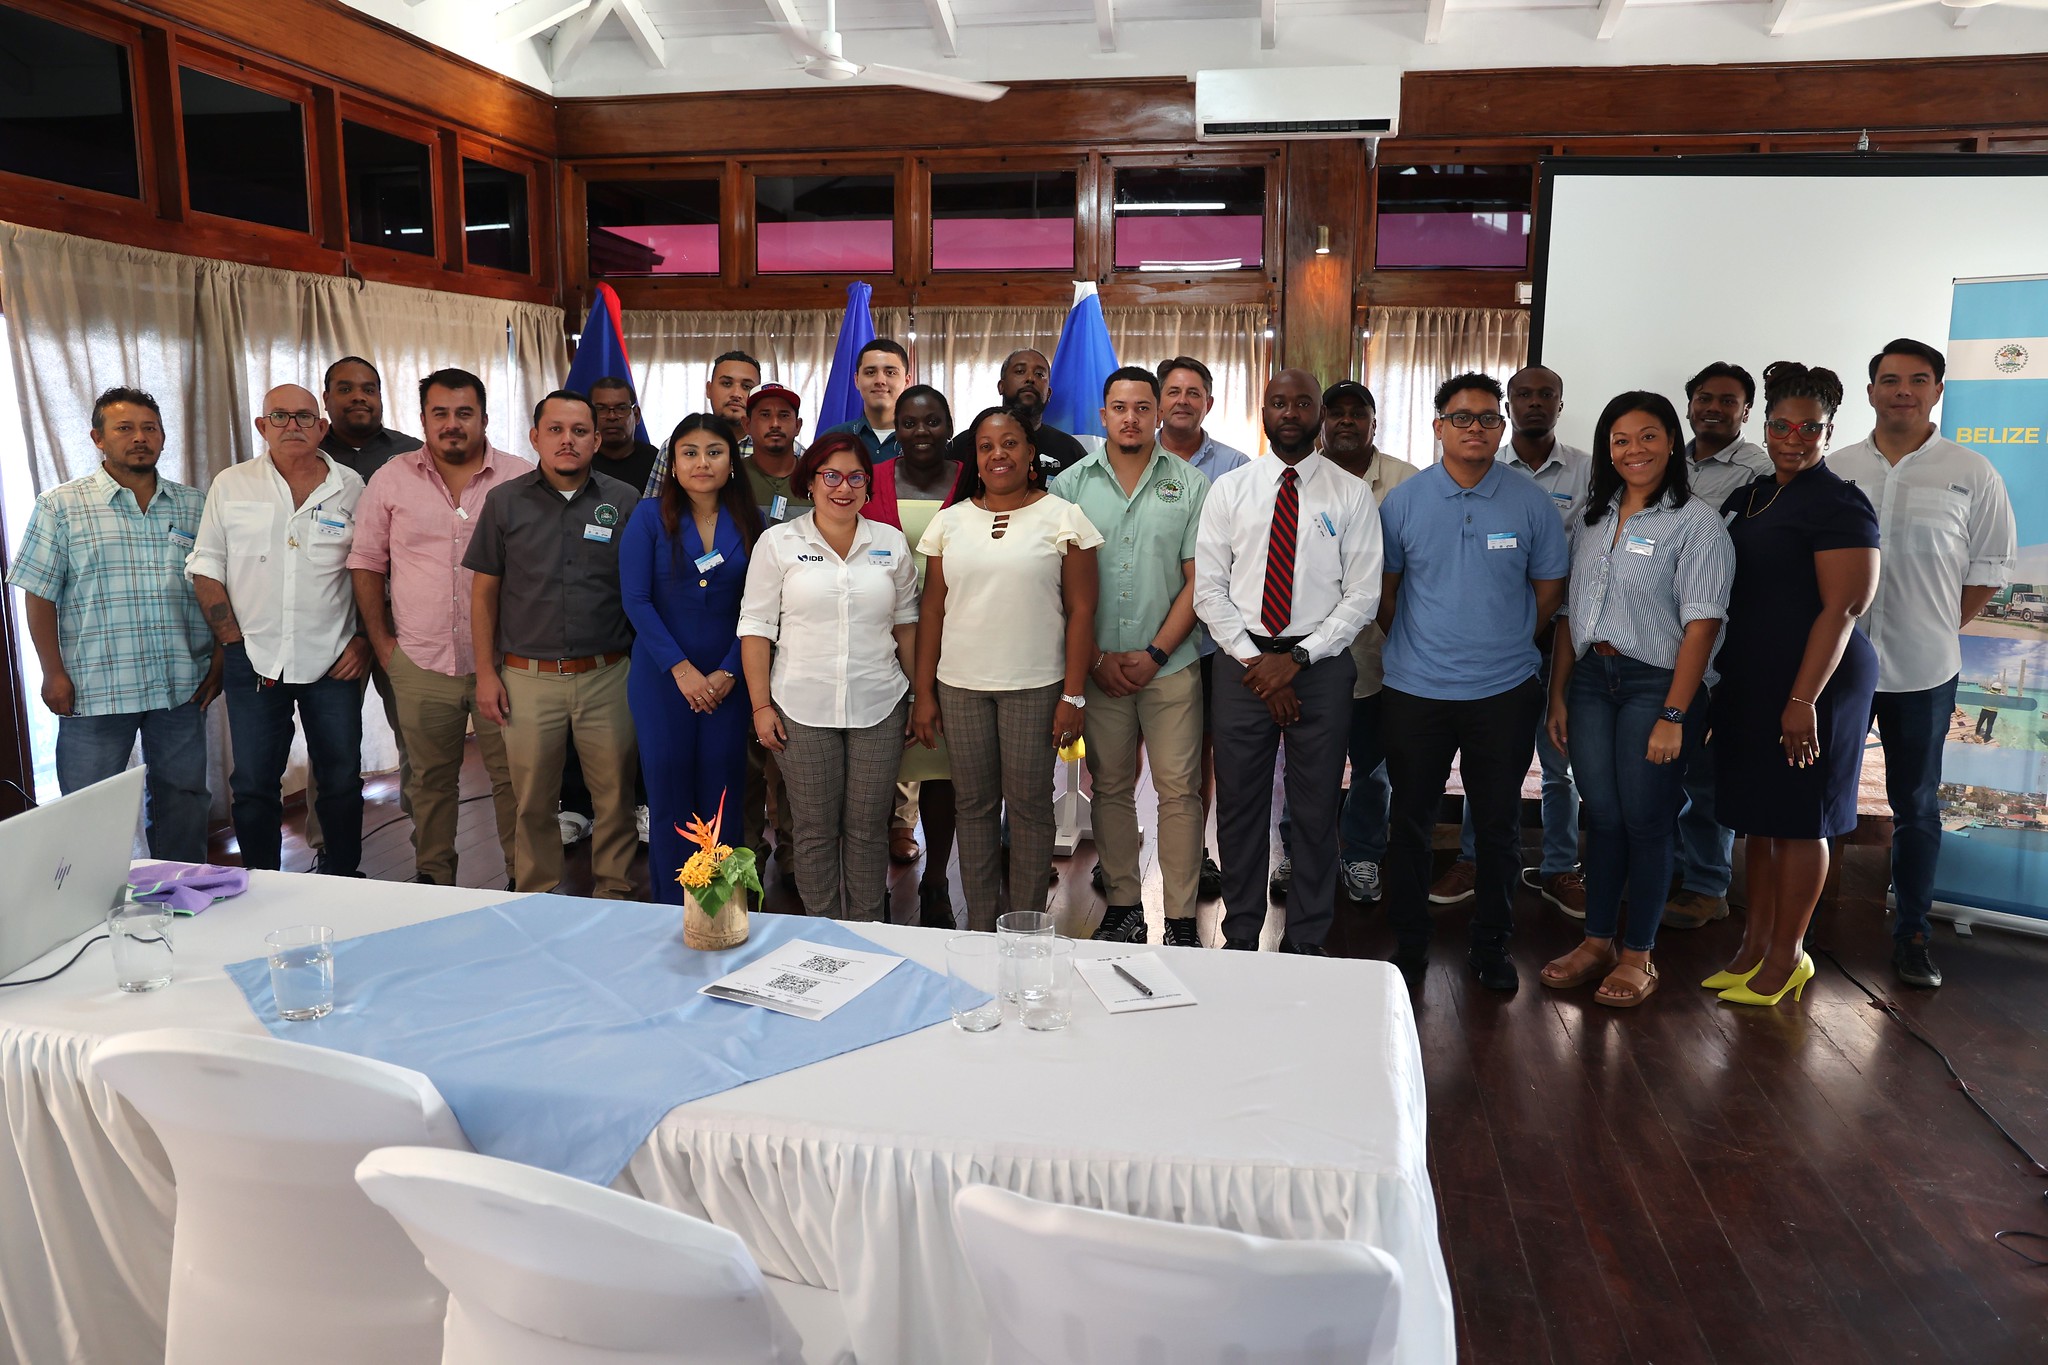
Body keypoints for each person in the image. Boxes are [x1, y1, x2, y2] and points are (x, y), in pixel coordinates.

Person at [1538, 392, 1733, 1007]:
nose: (1634, 450)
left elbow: (1703, 623)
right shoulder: (1593, 518)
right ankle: (1596, 942)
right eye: (1620, 440)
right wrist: (1560, 694)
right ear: (1607, 451)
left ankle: (1638, 955)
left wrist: (1675, 713)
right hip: (1594, 682)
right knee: (1606, 815)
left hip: (1658, 684)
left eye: (1647, 436)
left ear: (1671, 442)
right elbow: (1569, 613)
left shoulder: (1696, 521)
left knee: (1648, 820)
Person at [1832, 338, 2016, 989]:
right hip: (1839, 666)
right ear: (1871, 390)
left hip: (1924, 669)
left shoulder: (1973, 472)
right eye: (1889, 379)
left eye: (1917, 379)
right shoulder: (1837, 467)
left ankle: (1911, 931)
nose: (1902, 390)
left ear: (1938, 390)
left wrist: (1933, 623)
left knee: (1915, 805)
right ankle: (1799, 926)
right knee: (1819, 799)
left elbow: (1988, 571)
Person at [1378, 373, 1568, 992]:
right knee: (1409, 821)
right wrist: (1426, 641)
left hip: (1503, 691)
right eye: (1462, 418)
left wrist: (1504, 639)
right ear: (1439, 427)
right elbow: (1387, 593)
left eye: (1490, 419)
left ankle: (1491, 946)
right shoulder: (1404, 502)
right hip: (1416, 689)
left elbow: (1547, 592)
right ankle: (1408, 944)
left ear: (1502, 427)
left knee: (1498, 825)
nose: (1477, 429)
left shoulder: (1530, 502)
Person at [1706, 361, 1880, 1008]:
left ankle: (1789, 955)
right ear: (1765, 424)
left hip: (1818, 679)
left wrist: (1803, 698)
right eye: (1781, 424)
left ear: (1830, 431)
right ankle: (1753, 946)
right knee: (1760, 817)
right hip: (1753, 671)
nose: (1793, 437)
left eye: (1810, 428)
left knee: (1802, 820)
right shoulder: (1752, 494)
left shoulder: (1838, 502)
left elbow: (1844, 608)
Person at [1195, 369, 1381, 955]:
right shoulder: (1231, 488)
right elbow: (1209, 591)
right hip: (1241, 662)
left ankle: (1306, 940)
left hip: (1320, 667)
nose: (1291, 412)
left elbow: (1363, 595)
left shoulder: (1350, 493)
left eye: (1304, 403)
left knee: (1316, 807)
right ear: (1264, 412)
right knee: (1240, 806)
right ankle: (1242, 931)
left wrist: (1297, 659)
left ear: (1319, 413)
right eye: (1280, 402)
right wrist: (1259, 663)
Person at [8, 386, 219, 861]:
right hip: (95, 687)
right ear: (98, 438)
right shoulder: (61, 506)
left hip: (179, 683)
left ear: (163, 438)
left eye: (150, 428)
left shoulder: (195, 505)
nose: (139, 438)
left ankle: (181, 894)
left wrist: (221, 656)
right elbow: (39, 593)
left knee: (184, 800)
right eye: (125, 428)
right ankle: (92, 909)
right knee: (89, 809)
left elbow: (220, 583)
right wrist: (53, 673)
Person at [914, 408, 1101, 931]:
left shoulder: (1064, 517)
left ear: (1029, 452)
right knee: (972, 807)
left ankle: (1025, 926)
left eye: (1011, 443)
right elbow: (932, 609)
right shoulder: (949, 522)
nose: (998, 454)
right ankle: (978, 924)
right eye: (986, 445)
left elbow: (1083, 610)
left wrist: (1074, 695)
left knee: (1029, 808)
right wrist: (924, 693)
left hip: (1036, 687)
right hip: (961, 687)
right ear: (974, 456)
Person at [1053, 367, 1210, 947]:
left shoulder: (1191, 485)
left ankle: (1182, 917)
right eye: (1119, 407)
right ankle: (1123, 905)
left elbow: (1199, 581)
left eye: (1143, 407)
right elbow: (1059, 584)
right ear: (1103, 416)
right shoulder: (1070, 486)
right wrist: (1094, 658)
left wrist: (1153, 652)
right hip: (1098, 669)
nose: (1131, 418)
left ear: (1158, 414)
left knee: (1179, 789)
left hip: (1169, 666)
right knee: (1112, 786)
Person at [346, 367, 521, 888]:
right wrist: (383, 645)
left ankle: (525, 884)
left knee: (515, 779)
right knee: (429, 782)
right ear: (422, 419)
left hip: (504, 665)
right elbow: (366, 562)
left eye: (464, 413)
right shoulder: (392, 477)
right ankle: (433, 882)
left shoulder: (518, 477)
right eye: (440, 413)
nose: (452, 424)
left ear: (484, 420)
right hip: (420, 661)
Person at [187, 384, 368, 875]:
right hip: (253, 659)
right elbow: (206, 567)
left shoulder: (353, 487)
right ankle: (261, 883)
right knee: (252, 782)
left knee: (341, 777)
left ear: (323, 427)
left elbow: (374, 571)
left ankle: (344, 876)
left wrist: (364, 640)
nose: (293, 426)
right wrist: (232, 642)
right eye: (281, 416)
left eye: (305, 417)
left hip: (334, 656)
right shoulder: (231, 484)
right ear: (261, 426)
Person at [466, 391, 641, 899]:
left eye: (580, 430)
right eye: (557, 430)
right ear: (535, 437)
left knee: (614, 797)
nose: (569, 440)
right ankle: (538, 896)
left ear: (597, 438)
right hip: (527, 677)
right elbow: (484, 594)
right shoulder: (504, 501)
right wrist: (485, 672)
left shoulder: (624, 501)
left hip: (608, 674)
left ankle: (615, 894)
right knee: (533, 802)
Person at [739, 433, 919, 921]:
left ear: (868, 485)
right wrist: (760, 708)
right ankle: (823, 934)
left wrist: (918, 697)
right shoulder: (778, 543)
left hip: (880, 704)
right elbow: (755, 630)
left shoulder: (889, 542)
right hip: (800, 706)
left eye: (856, 477)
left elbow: (906, 625)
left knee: (866, 827)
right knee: (814, 829)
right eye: (831, 476)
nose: (844, 488)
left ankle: (867, 927)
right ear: (811, 481)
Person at [1431, 364, 1588, 918]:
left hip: (1566, 637)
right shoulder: (1481, 471)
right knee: (1489, 765)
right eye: (1523, 394)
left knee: (1560, 761)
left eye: (1547, 393)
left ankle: (1560, 867)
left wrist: (1532, 628)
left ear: (1560, 403)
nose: (1534, 403)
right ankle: (1473, 858)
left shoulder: (1590, 473)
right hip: (1496, 647)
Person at [1269, 380, 1415, 905]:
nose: (1348, 422)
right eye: (1338, 413)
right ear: (1323, 422)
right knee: (1303, 765)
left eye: (1360, 413)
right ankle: (1298, 854)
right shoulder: (1295, 480)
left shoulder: (1406, 481)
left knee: (1372, 770)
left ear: (1376, 422)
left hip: (1377, 657)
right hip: (1305, 661)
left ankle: (1362, 856)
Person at [622, 414, 764, 907]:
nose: (701, 462)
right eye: (689, 452)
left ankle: (722, 911)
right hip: (663, 678)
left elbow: (760, 605)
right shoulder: (647, 516)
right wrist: (682, 671)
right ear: (673, 462)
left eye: (714, 452)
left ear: (732, 461)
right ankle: (672, 909)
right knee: (669, 795)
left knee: (724, 793)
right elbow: (636, 600)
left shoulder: (751, 519)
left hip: (730, 676)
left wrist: (728, 671)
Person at [1665, 360, 1775, 931]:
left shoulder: (1762, 471)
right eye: (1704, 398)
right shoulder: (1665, 459)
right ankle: (1671, 872)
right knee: (1663, 769)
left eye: (1727, 401)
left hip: (1722, 640)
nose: (1713, 408)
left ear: (1746, 412)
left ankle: (1708, 884)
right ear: (1689, 404)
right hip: (1661, 636)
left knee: (1707, 772)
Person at [864, 384, 965, 926]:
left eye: (931, 422)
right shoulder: (871, 479)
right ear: (894, 429)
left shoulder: (970, 480)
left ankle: (935, 883)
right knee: (876, 772)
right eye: (908, 423)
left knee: (942, 772)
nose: (920, 432)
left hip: (956, 649)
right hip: (875, 647)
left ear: (949, 425)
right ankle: (870, 884)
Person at [1157, 355, 1250, 899]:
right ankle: (1124, 846)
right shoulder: (1131, 459)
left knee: (1201, 752)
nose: (1184, 401)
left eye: (1195, 392)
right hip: (1144, 635)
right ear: (1159, 401)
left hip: (1214, 638)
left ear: (1209, 404)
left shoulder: (1237, 467)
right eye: (1174, 391)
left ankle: (1196, 852)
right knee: (1138, 750)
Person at [737, 382, 809, 884]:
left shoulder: (816, 478)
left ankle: (795, 855)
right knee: (743, 760)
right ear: (749, 426)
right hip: (742, 634)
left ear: (798, 426)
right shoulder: (731, 479)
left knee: (792, 759)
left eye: (785, 415)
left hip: (804, 640)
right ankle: (745, 859)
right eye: (764, 415)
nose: (775, 424)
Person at [943, 348, 1089, 479]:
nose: (1030, 379)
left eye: (1039, 374)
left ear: (1049, 393)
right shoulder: (965, 444)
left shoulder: (1070, 450)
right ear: (1001, 386)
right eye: (1020, 371)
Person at [640, 350, 766, 497]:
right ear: (709, 389)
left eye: (746, 387)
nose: (736, 394)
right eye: (726, 383)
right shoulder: (675, 446)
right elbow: (653, 507)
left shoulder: (787, 449)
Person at [319, 356, 422, 481]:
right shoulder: (310, 453)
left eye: (368, 390)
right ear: (326, 399)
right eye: (345, 389)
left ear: (380, 397)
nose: (358, 397)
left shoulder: (415, 452)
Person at [824, 338, 910, 463]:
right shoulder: (832, 439)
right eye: (870, 372)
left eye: (890, 372)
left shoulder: (920, 440)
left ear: (907, 381)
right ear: (856, 380)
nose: (880, 380)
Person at [588, 375, 661, 496]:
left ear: (636, 415)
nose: (612, 417)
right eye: (601, 409)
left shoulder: (656, 462)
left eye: (621, 408)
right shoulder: (580, 461)